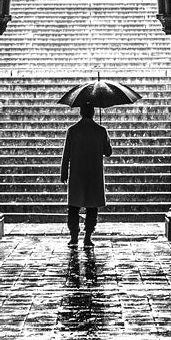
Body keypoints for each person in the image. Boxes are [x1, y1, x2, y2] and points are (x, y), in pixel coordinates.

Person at [61, 102, 111, 246]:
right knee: (92, 207)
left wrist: (63, 172)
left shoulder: (73, 130)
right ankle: (88, 236)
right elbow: (108, 152)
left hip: (77, 173)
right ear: (94, 113)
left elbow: (66, 154)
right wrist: (106, 138)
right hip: (94, 174)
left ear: (81, 112)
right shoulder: (101, 130)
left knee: (73, 207)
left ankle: (74, 236)